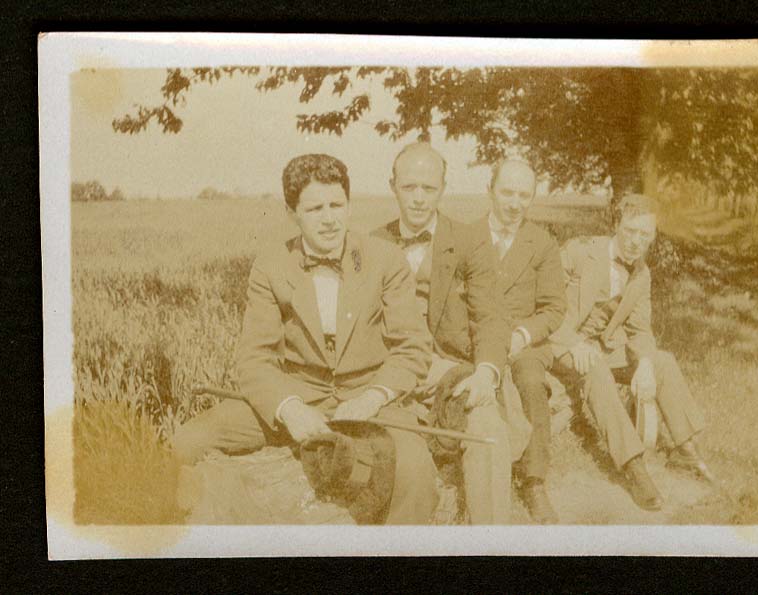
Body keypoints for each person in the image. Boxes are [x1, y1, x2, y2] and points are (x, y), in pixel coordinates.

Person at [173, 153, 438, 524]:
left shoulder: (386, 258)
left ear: (349, 205)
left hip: (370, 399)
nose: (329, 219)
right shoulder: (270, 266)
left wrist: (372, 397)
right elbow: (254, 358)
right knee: (187, 442)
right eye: (314, 209)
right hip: (298, 394)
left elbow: (413, 347)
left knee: (415, 471)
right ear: (291, 212)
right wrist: (289, 408)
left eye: (337, 205)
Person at [373, 142, 519, 525]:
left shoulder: (470, 240)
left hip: (453, 372)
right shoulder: (370, 244)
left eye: (429, 188)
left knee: (488, 429)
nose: (419, 198)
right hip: (392, 374)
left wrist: (486, 372)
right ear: (392, 186)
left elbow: (491, 317)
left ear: (443, 189)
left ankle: (494, 545)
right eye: (409, 187)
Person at [550, 193, 708, 511]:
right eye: (630, 231)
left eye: (645, 235)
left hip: (600, 348)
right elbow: (542, 305)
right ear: (616, 225)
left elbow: (640, 330)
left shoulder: (641, 274)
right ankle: (634, 466)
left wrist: (645, 363)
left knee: (662, 361)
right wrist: (574, 342)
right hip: (559, 342)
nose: (636, 242)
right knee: (594, 367)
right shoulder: (579, 252)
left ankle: (685, 450)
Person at [478, 158, 566, 523]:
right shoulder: (467, 237)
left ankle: (534, 480)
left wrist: (522, 334)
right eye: (507, 193)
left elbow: (554, 308)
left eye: (524, 196)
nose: (515, 204)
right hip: (477, 338)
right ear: (490, 191)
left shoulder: (542, 243)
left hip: (523, 343)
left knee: (530, 381)